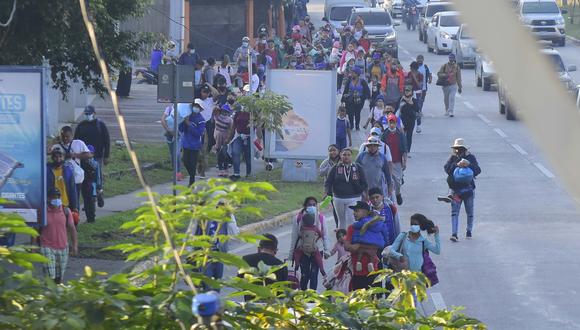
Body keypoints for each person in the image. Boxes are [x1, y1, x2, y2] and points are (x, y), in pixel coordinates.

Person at [190, 191, 240, 288]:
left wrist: (230, 217)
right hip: (204, 255)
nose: (222, 207)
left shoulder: (226, 218)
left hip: (219, 254)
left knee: (217, 286)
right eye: (220, 204)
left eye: (224, 204)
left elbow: (235, 233)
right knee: (207, 285)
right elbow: (191, 234)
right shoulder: (202, 215)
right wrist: (190, 255)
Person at [442, 138, 481, 242]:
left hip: (468, 189)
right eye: (456, 149)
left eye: (460, 149)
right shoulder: (453, 158)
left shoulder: (470, 158)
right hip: (456, 190)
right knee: (455, 212)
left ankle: (469, 231)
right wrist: (456, 164)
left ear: (464, 149)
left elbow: (478, 170)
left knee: (470, 212)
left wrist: (468, 164)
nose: (458, 151)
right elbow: (446, 169)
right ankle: (454, 234)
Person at [289, 198, 330, 290]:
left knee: (314, 274)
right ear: (305, 206)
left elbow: (325, 235)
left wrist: (327, 250)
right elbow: (294, 237)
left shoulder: (321, 218)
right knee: (305, 274)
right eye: (309, 205)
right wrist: (291, 254)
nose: (312, 207)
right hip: (302, 249)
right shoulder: (298, 218)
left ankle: (312, 297)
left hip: (317, 249)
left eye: (314, 204)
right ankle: (303, 294)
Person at [39, 188, 78, 284]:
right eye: (53, 197)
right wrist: (33, 246)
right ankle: (49, 294)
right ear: (48, 199)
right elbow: (36, 229)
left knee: (59, 278)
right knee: (49, 276)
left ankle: (55, 296)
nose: (56, 199)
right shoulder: (43, 211)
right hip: (47, 246)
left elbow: (72, 229)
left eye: (58, 197)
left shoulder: (66, 211)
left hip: (63, 247)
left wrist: (75, 246)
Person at [324, 148, 368, 229]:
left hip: (354, 197)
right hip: (338, 198)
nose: (346, 157)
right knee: (341, 221)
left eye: (348, 155)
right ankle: (342, 239)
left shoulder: (357, 167)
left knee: (351, 220)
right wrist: (327, 193)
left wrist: (364, 192)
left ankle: (351, 239)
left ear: (352, 156)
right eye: (344, 155)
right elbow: (328, 182)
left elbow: (364, 182)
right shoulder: (335, 168)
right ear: (340, 156)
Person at [242, 234, 288, 300]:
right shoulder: (281, 265)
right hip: (272, 305)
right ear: (275, 250)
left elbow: (240, 282)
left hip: (251, 302)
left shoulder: (246, 259)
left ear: (259, 248)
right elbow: (282, 292)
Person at [56, 126, 92, 211]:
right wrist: (53, 142)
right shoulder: (57, 146)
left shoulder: (78, 143)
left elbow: (89, 155)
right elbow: (47, 151)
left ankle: (75, 218)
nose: (65, 138)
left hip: (76, 177)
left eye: (67, 136)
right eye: (63, 136)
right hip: (61, 178)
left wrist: (75, 155)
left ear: (72, 136)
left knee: (74, 199)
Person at [348, 201, 389, 273]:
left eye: (357, 211)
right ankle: (370, 263)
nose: (354, 213)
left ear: (365, 212)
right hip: (376, 252)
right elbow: (385, 233)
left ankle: (359, 262)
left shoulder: (355, 226)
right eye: (354, 211)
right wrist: (386, 243)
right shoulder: (379, 223)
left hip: (359, 271)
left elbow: (349, 247)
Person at [381, 114, 407, 206]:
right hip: (387, 162)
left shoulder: (400, 135)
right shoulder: (384, 134)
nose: (392, 125)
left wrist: (404, 161)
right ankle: (389, 197)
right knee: (388, 180)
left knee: (398, 181)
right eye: (390, 122)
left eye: (393, 123)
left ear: (396, 123)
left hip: (397, 161)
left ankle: (398, 193)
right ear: (388, 123)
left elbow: (404, 149)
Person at [356, 136, 393, 201]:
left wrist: (390, 187)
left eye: (374, 146)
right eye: (370, 146)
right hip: (364, 189)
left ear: (377, 147)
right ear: (367, 146)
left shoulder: (382, 157)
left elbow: (387, 174)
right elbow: (355, 171)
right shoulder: (361, 156)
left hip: (378, 189)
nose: (372, 148)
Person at [179, 101, 206, 186]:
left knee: (192, 163)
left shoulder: (201, 120)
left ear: (201, 109)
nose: (196, 108)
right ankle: (192, 175)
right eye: (195, 106)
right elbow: (181, 129)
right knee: (185, 161)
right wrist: (184, 121)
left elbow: (199, 133)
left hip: (194, 145)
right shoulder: (188, 116)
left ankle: (192, 181)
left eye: (198, 106)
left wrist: (189, 124)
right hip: (186, 143)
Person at [47, 146, 78, 215]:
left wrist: (75, 206)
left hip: (65, 204)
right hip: (51, 205)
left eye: (60, 156)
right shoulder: (47, 170)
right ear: (52, 158)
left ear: (63, 157)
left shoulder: (68, 170)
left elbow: (73, 189)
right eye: (56, 157)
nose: (58, 159)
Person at [229, 105, 252, 180]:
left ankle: (249, 174)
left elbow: (256, 126)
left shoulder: (252, 113)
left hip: (249, 137)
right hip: (238, 136)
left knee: (248, 156)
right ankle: (236, 174)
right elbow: (233, 126)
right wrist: (229, 138)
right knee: (235, 152)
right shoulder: (238, 113)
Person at [212, 105, 233, 177]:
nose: (224, 112)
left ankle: (226, 169)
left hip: (225, 137)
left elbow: (230, 129)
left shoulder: (230, 119)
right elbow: (214, 111)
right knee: (219, 153)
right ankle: (220, 169)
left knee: (224, 153)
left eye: (226, 111)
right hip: (218, 137)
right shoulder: (217, 116)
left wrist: (228, 138)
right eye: (223, 111)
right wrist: (217, 107)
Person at [398, 85, 420, 153]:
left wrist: (412, 104)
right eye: (406, 90)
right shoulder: (401, 99)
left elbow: (417, 109)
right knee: (401, 136)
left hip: (411, 120)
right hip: (402, 120)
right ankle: (401, 150)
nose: (407, 92)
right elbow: (397, 108)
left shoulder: (414, 100)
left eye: (409, 91)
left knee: (409, 136)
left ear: (412, 92)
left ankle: (407, 151)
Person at [416, 55, 432, 133]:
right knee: (418, 100)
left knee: (422, 100)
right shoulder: (414, 67)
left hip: (424, 87)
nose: (419, 60)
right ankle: (418, 110)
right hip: (416, 88)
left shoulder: (425, 67)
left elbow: (429, 74)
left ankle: (420, 109)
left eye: (421, 59)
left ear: (423, 60)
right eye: (418, 59)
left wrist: (430, 80)